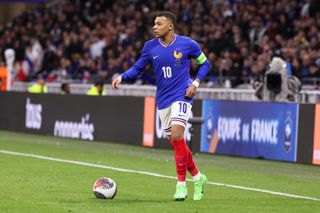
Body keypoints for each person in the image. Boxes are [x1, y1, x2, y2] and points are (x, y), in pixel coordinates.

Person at [112, 11, 211, 201]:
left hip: (182, 94)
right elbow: (137, 69)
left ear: (170, 26)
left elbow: (205, 64)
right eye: (154, 24)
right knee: (177, 143)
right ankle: (198, 178)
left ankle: (181, 185)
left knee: (177, 135)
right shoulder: (150, 47)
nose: (154, 27)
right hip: (163, 99)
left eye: (158, 24)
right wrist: (122, 76)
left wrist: (195, 83)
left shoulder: (188, 44)